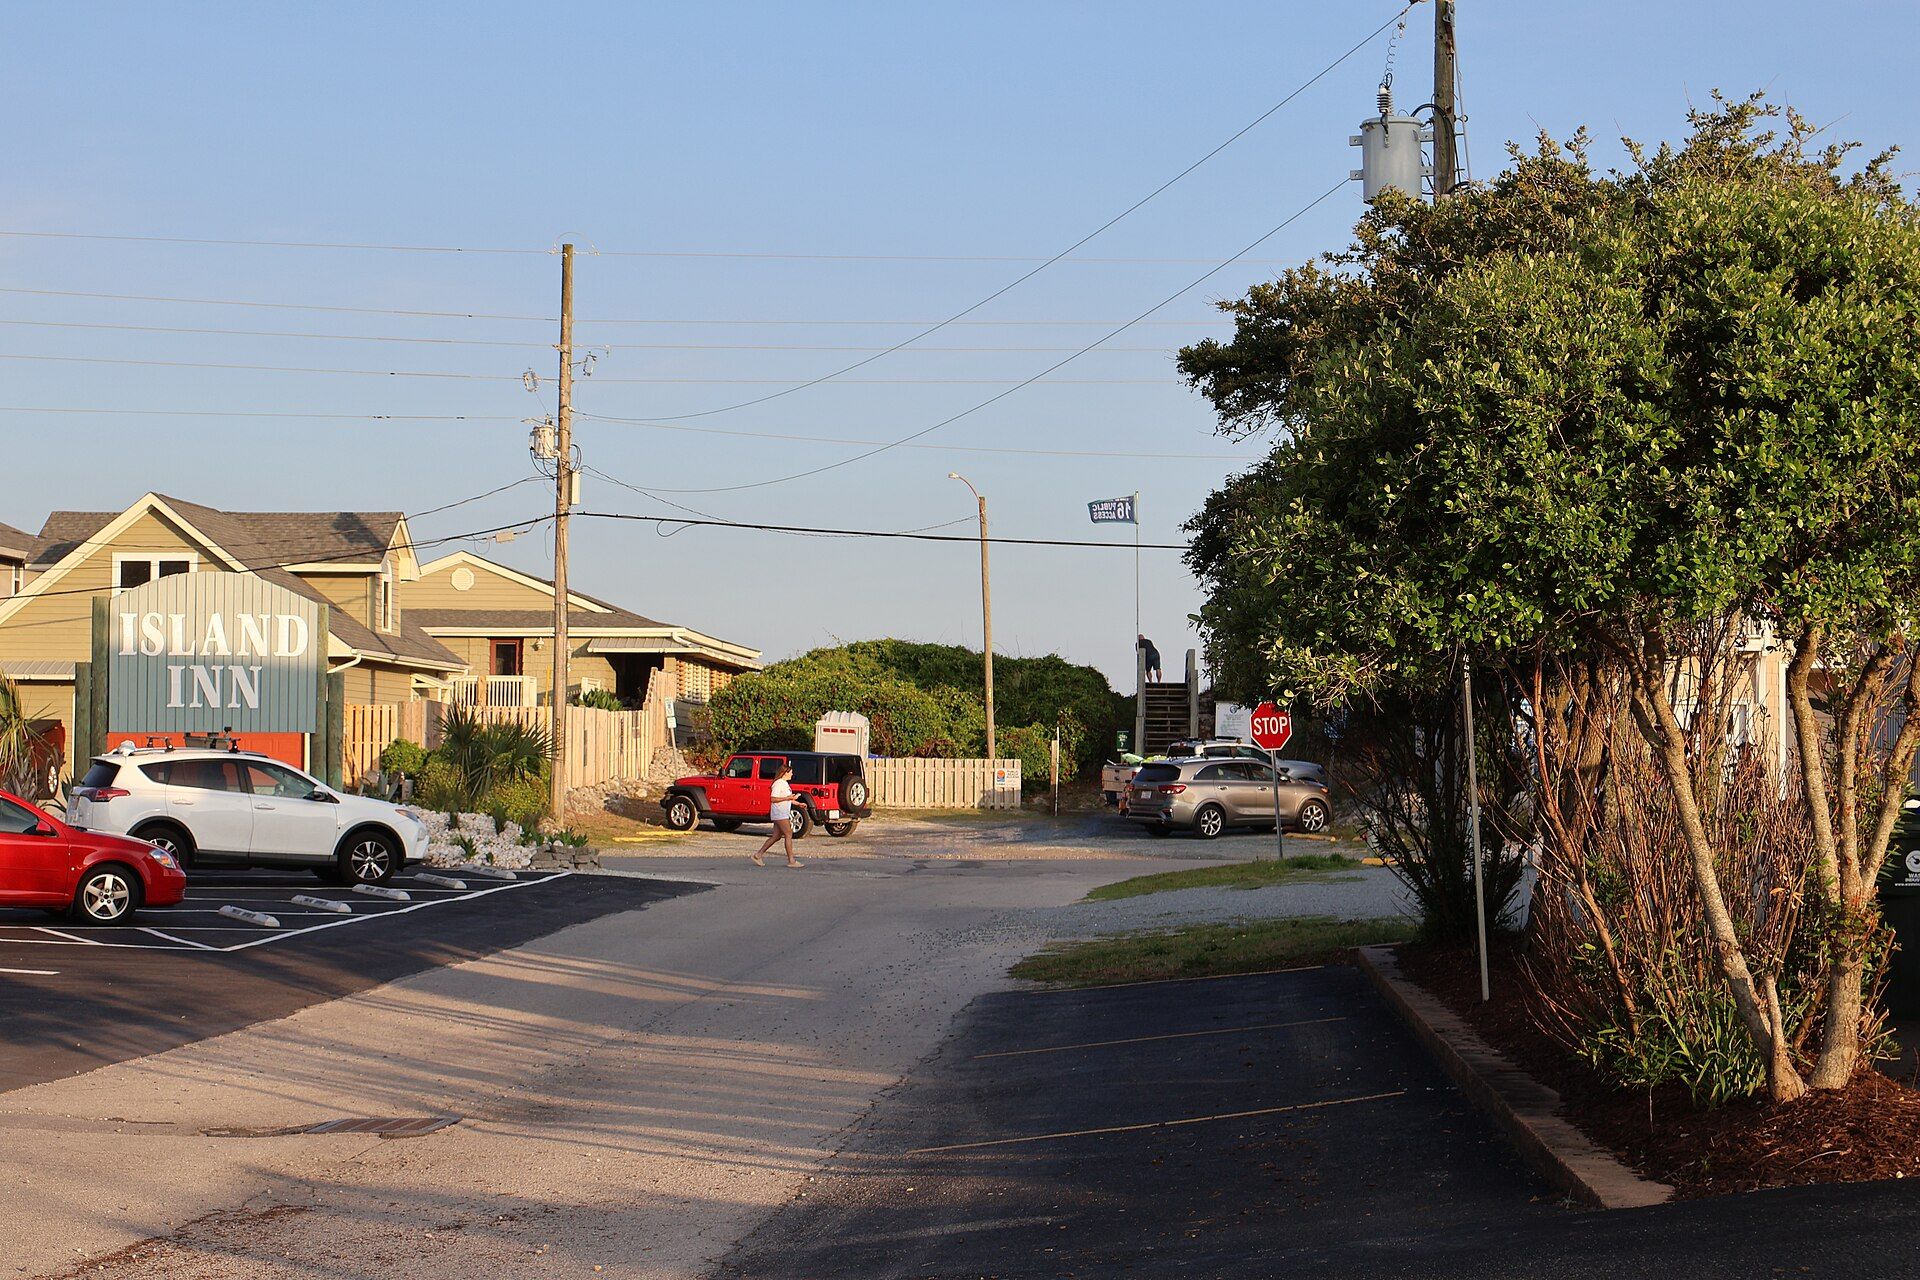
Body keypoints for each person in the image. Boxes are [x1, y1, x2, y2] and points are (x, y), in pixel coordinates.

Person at [752, 761, 805, 869]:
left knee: (776, 836)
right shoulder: (778, 783)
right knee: (788, 833)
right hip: (779, 813)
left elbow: (787, 799)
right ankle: (791, 860)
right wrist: (788, 798)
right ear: (785, 773)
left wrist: (798, 803)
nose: (792, 774)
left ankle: (758, 855)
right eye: (790, 773)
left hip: (782, 813)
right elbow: (773, 798)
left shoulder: (785, 784)